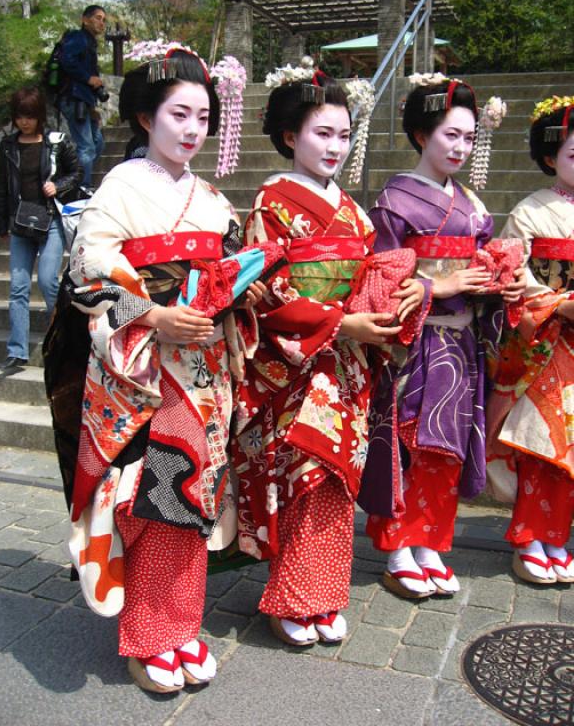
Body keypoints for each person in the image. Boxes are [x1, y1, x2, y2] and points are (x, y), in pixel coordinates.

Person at [61, 45, 270, 694]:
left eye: (203, 117)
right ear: (146, 116)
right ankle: (149, 637)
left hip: (205, 372)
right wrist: (154, 316)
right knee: (156, 501)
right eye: (179, 113)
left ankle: (181, 627)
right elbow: (86, 274)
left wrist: (246, 290)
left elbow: (232, 267)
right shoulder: (122, 186)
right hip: (145, 374)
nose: (191, 129)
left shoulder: (211, 199)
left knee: (195, 501)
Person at [232, 60, 424, 646]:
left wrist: (410, 292)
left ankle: (323, 595)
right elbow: (265, 294)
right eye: (322, 133)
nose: (335, 146)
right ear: (290, 136)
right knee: (302, 474)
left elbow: (369, 274)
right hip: (296, 364)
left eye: (344, 134)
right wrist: (344, 323)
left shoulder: (356, 211)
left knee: (339, 476)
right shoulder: (271, 203)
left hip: (347, 361)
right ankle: (291, 596)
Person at [358, 75, 526, 599]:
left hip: (463, 342)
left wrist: (503, 278)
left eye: (469, 138)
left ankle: (431, 542)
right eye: (450, 135)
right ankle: (398, 548)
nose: (460, 147)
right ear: (420, 135)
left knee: (447, 449)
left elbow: (483, 265)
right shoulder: (394, 200)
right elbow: (379, 281)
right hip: (416, 345)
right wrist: (441, 283)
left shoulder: (473, 206)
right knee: (409, 445)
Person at [486, 96, 574, 584]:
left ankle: (557, 537)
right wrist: (558, 305)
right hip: (548, 343)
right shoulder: (529, 211)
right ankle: (528, 538)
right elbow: (514, 276)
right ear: (549, 158)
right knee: (544, 443)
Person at [0, 86, 81, 371]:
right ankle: (17, 350)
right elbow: (2, 187)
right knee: (18, 287)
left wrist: (59, 185)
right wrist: (2, 224)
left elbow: (76, 171)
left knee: (47, 280)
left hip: (50, 221)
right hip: (20, 224)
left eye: (30, 116)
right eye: (20, 116)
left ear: (39, 115)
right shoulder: (8, 146)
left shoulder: (55, 143)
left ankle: (65, 338)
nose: (24, 122)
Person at [59, 5, 107, 186]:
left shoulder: (89, 42)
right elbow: (67, 60)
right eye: (97, 18)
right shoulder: (78, 37)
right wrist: (89, 78)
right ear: (85, 19)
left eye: (103, 20)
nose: (101, 23)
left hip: (84, 100)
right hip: (73, 98)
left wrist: (93, 105)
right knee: (86, 146)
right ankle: (82, 188)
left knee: (97, 142)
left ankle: (76, 178)